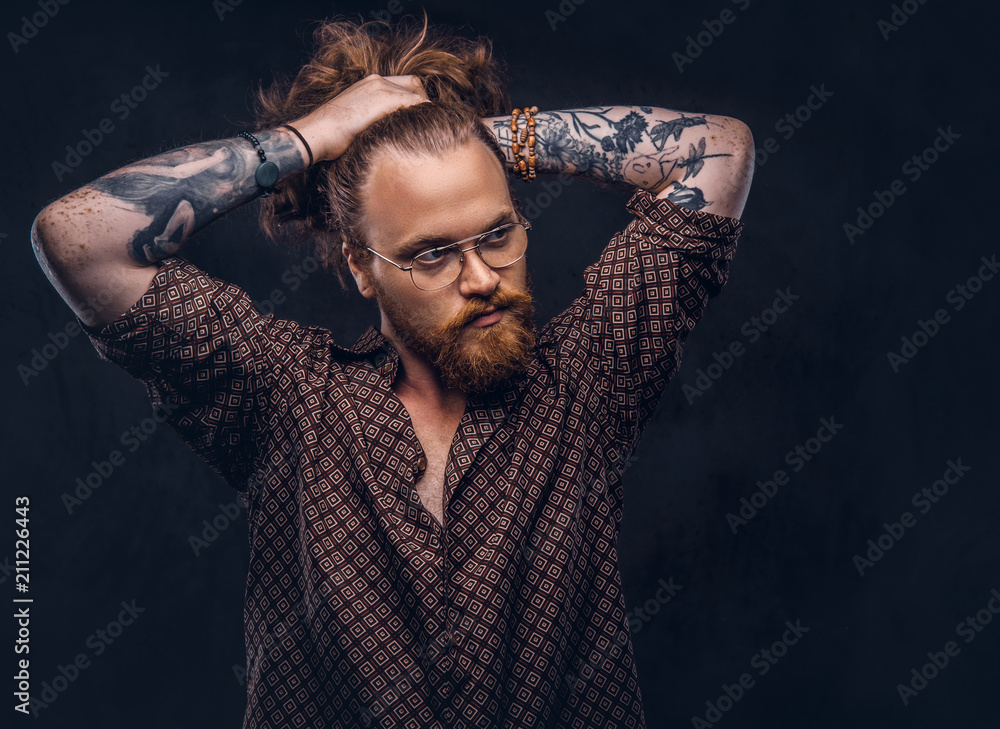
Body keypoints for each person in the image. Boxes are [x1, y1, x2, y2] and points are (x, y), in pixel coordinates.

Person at [32, 13, 752, 729]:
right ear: (361, 268)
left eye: (498, 234)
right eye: (432, 253)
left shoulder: (591, 379)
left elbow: (719, 152)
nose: (481, 277)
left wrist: (471, 140)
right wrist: (311, 139)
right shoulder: (283, 395)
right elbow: (76, 236)